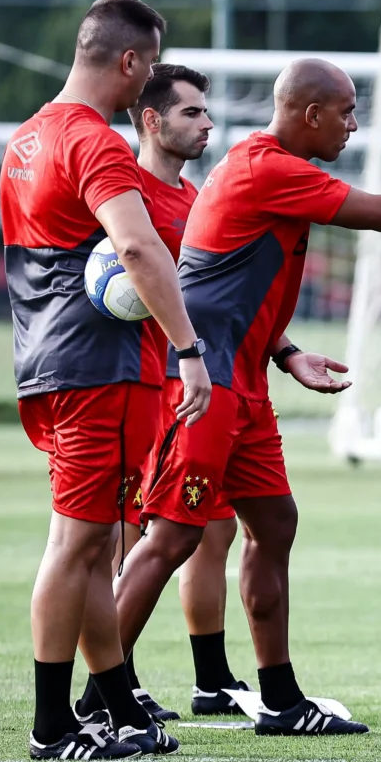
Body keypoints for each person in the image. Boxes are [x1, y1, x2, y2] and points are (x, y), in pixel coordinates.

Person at [112, 58, 381, 735]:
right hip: (205, 384)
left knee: (274, 526)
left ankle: (280, 701)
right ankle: (100, 699)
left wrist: (285, 351)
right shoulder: (266, 167)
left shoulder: (270, 168)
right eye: (346, 112)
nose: (353, 124)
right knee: (174, 536)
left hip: (244, 381)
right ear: (310, 115)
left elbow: (235, 282)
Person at [2, 0, 207, 760]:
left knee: (88, 545)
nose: (147, 81)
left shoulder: (28, 136)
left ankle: (115, 704)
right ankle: (51, 727)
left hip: (42, 360)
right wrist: (189, 351)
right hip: (96, 368)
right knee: (77, 543)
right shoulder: (95, 141)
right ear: (129, 62)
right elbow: (137, 249)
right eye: (149, 66)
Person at [71, 64, 251, 726]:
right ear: (151, 119)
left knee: (213, 526)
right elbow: (114, 275)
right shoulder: (123, 192)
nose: (207, 124)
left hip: (198, 384)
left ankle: (209, 679)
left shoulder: (197, 197)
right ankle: (114, 685)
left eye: (206, 113)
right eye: (192, 113)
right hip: (146, 384)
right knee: (128, 531)